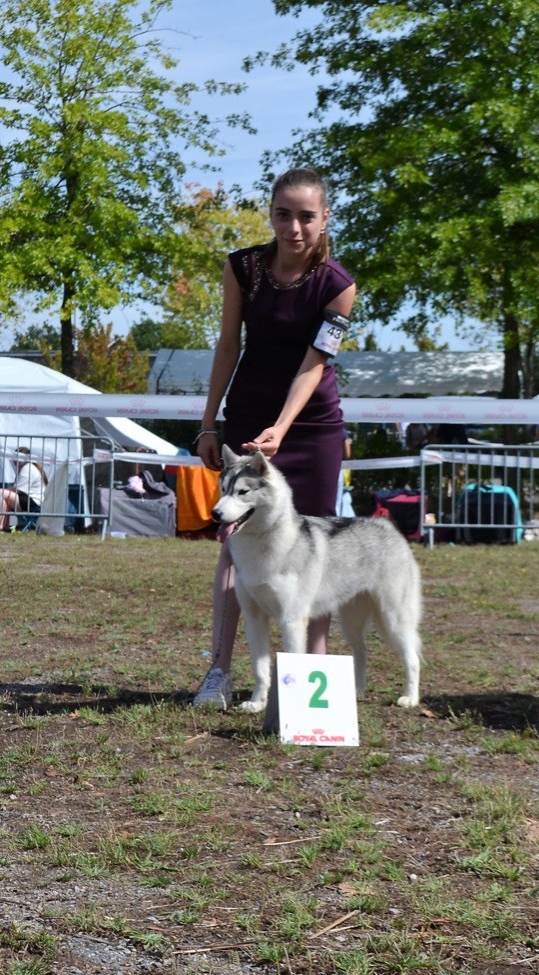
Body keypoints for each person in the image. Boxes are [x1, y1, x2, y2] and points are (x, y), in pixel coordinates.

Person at [193, 166, 357, 709]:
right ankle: (219, 672)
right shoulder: (243, 267)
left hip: (310, 426)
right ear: (271, 214)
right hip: (247, 414)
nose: (294, 228)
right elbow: (226, 346)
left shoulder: (338, 285)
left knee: (316, 552)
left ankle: (309, 683)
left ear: (324, 217)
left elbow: (315, 364)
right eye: (283, 215)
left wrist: (282, 429)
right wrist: (210, 422)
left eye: (306, 216)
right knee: (233, 547)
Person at [0, 447, 48, 532]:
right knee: (3, 494)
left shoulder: (28, 468)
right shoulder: (28, 468)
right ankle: (3, 526)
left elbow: (17, 489)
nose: (15, 460)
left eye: (18, 457)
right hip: (34, 501)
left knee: (0, 493)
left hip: (34, 503)